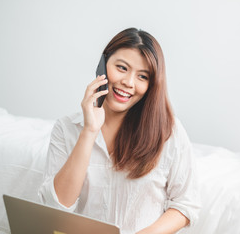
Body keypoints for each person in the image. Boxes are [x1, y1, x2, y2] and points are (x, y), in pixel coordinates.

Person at [38, 28, 200, 234]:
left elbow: (186, 204)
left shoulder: (170, 131)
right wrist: (89, 131)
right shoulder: (66, 128)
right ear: (102, 66)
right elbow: (56, 207)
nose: (129, 83)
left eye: (143, 76)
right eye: (122, 68)